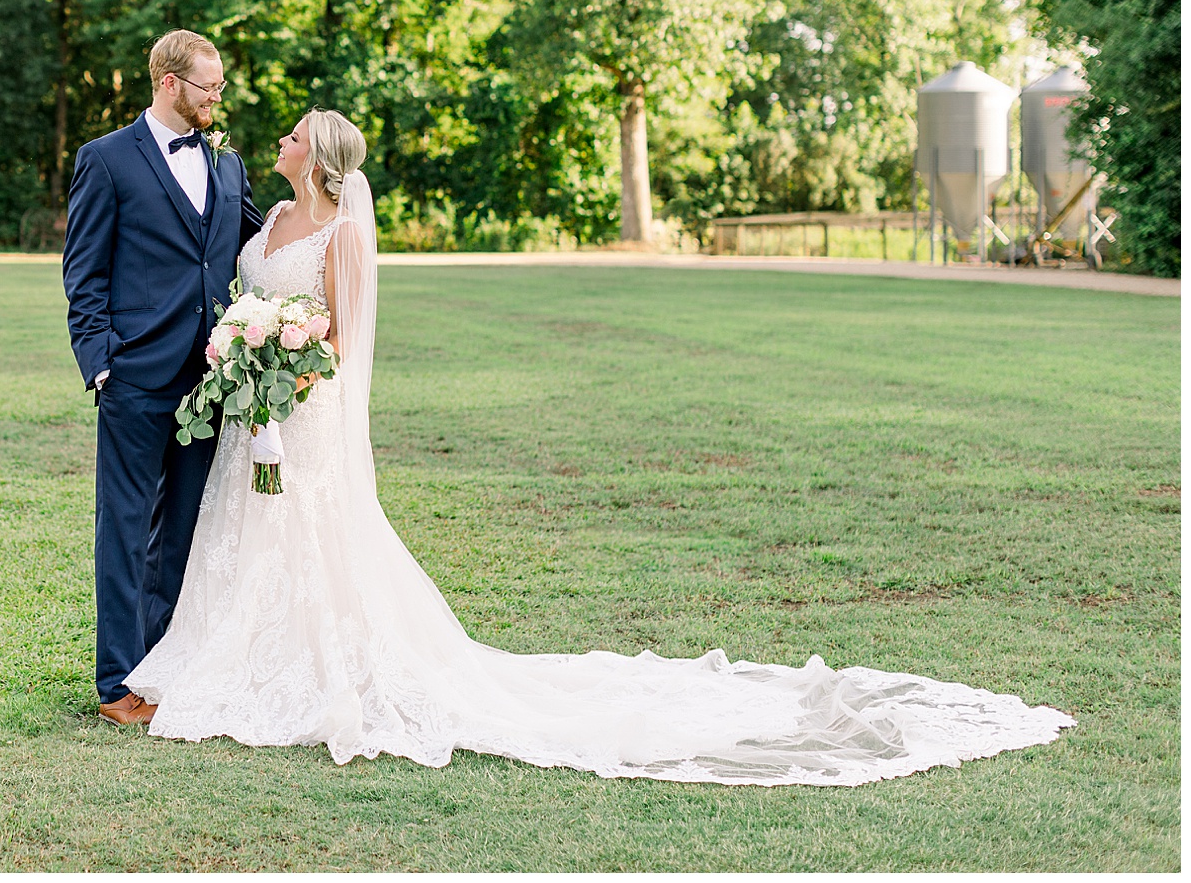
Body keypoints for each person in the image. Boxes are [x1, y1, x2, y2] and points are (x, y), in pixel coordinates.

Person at [122, 108, 1075, 785]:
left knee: (317, 539)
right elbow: (243, 279)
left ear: (320, 159)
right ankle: (224, 653)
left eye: (292, 135)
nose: (277, 139)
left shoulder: (340, 232)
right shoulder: (273, 215)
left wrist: (285, 353)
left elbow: (345, 333)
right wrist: (243, 341)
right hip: (252, 407)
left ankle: (320, 665)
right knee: (245, 534)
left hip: (306, 407)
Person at [61, 30, 265, 726]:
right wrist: (101, 364)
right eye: (209, 85)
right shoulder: (107, 160)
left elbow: (260, 243)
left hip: (208, 379)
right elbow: (82, 274)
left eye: (220, 86)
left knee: (181, 530)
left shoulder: (228, 164)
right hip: (134, 377)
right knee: (122, 527)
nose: (218, 96)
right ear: (169, 83)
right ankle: (118, 682)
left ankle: (166, 667)